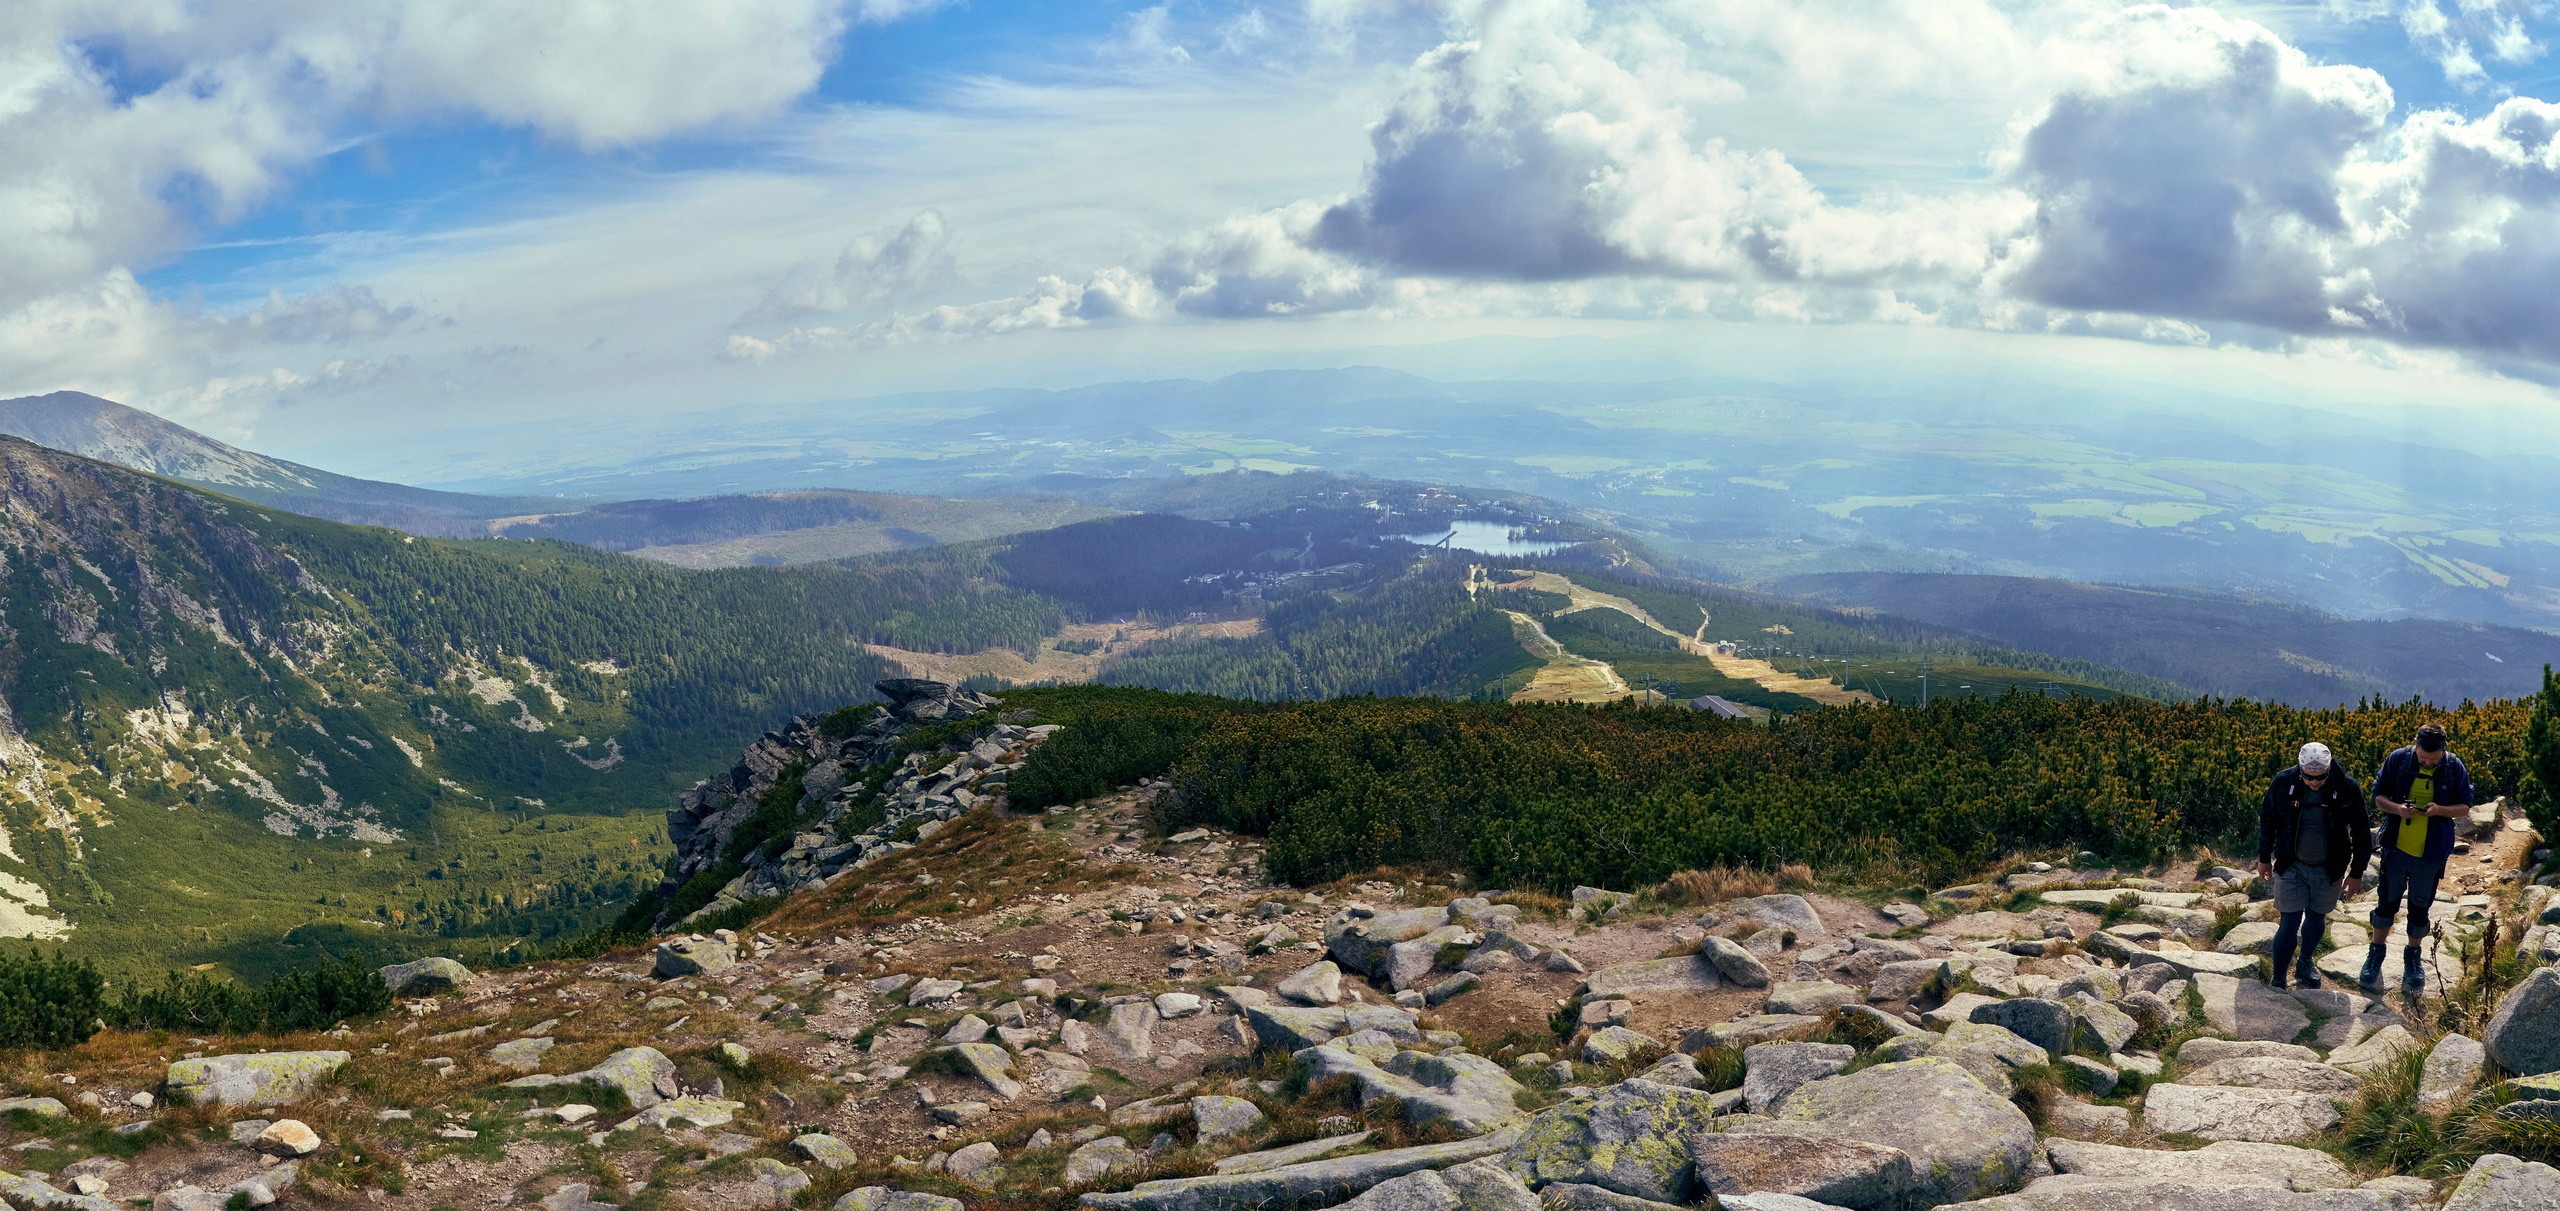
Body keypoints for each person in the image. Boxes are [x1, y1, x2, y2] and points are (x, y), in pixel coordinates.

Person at [2361, 723, 2474, 992]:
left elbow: (2465, 806)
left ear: (2443, 751)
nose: (2427, 762)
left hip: (2431, 853)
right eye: (2423, 758)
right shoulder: (2399, 759)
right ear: (2416, 745)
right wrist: (2398, 809)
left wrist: (2439, 810)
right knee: (2386, 904)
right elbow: (2377, 796)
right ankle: (2376, 952)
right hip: (2396, 849)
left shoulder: (2452, 767)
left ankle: (2413, 957)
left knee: (2420, 907)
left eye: (2433, 760)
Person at [2255, 742, 2369, 989]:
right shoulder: (2284, 782)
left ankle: (2305, 961)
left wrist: (2357, 872)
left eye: (2321, 778)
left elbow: (2361, 832)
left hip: (2330, 868)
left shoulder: (2347, 787)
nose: (2315, 783)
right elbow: (2268, 819)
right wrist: (2264, 858)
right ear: (2300, 769)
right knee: (2289, 922)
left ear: (2329, 770)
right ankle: (2278, 978)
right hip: (2291, 863)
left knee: (2317, 918)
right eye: (2309, 778)